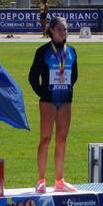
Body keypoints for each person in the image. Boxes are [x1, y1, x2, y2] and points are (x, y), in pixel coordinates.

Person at [28, 17, 78, 193]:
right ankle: (41, 180)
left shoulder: (71, 51)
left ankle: (59, 181)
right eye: (60, 29)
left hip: (65, 100)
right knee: (45, 139)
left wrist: (66, 89)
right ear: (51, 30)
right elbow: (33, 77)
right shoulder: (42, 51)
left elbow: (74, 75)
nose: (64, 32)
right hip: (48, 100)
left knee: (62, 140)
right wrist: (43, 93)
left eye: (65, 29)